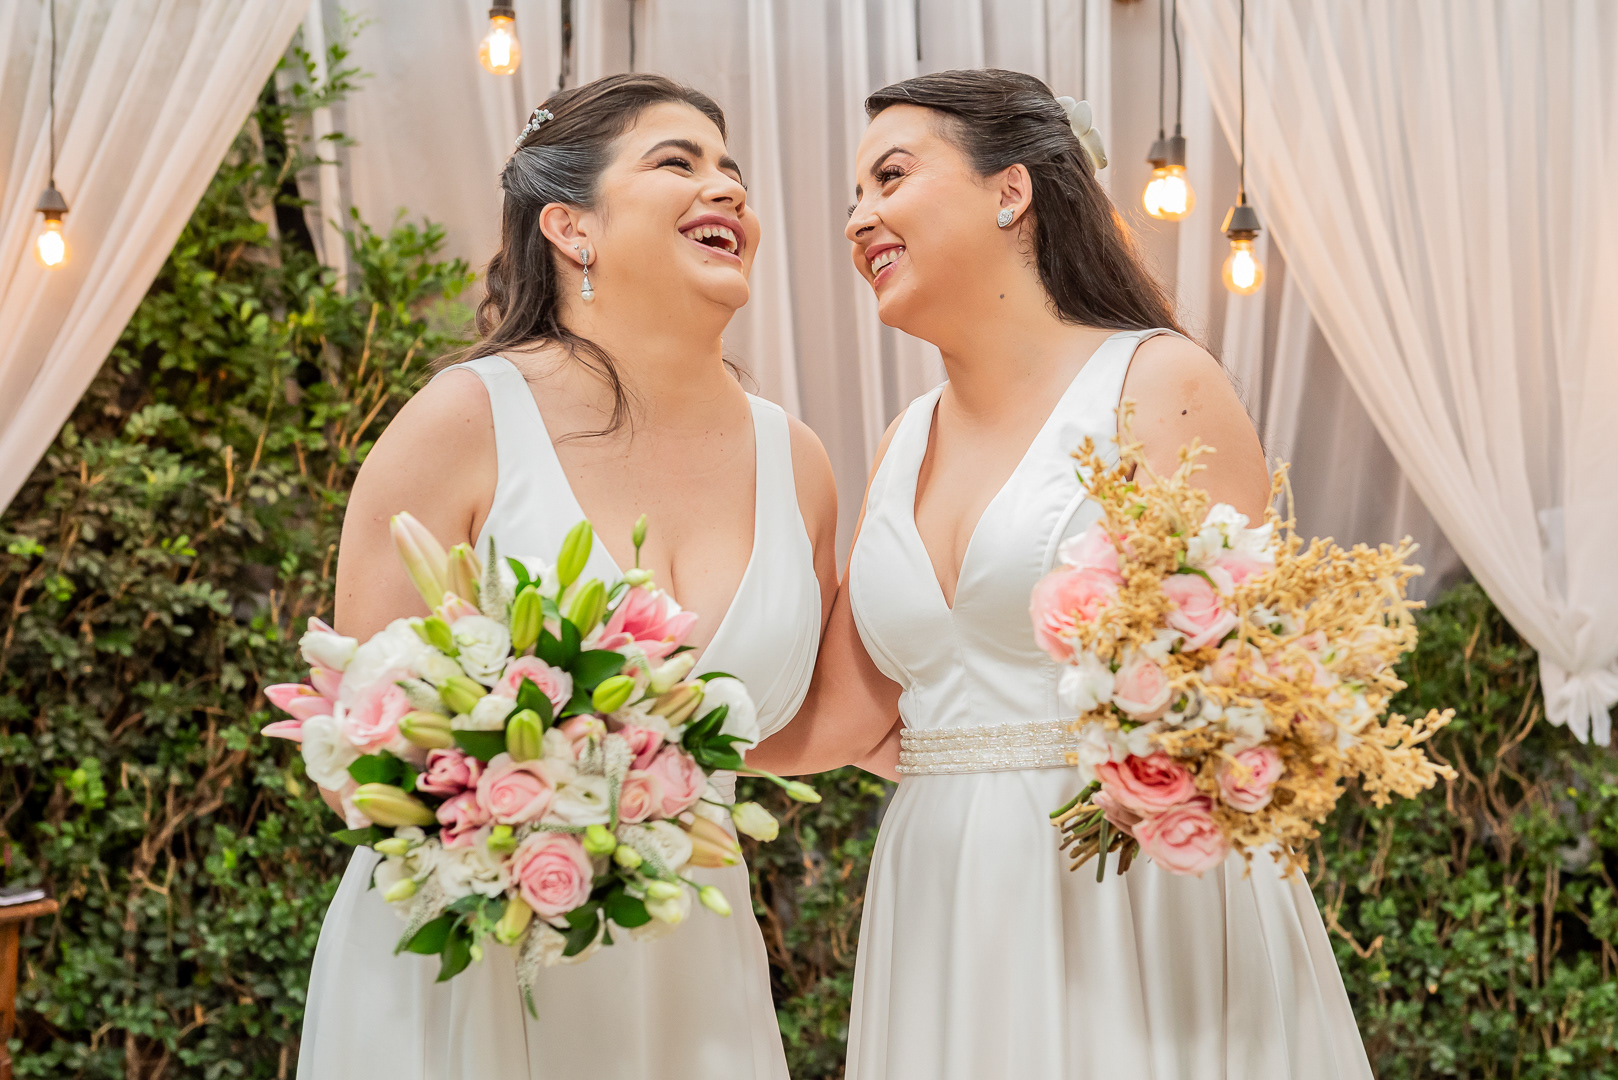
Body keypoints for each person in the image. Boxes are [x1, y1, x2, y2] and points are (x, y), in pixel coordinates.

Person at [748, 69, 1372, 1079]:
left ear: (1011, 191)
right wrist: (639, 745)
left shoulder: (1157, 382)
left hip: (1126, 887)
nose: (859, 218)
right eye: (854, 196)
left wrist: (1173, 767)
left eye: (890, 178)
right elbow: (851, 715)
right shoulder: (904, 439)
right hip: (942, 891)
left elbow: (1248, 685)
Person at [296, 74, 837, 1080]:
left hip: (692, 959)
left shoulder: (796, 461)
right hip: (478, 956)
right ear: (570, 227)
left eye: (732, 172)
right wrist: (525, 809)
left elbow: (824, 724)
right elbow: (360, 747)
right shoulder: (464, 420)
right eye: (677, 162)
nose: (727, 189)